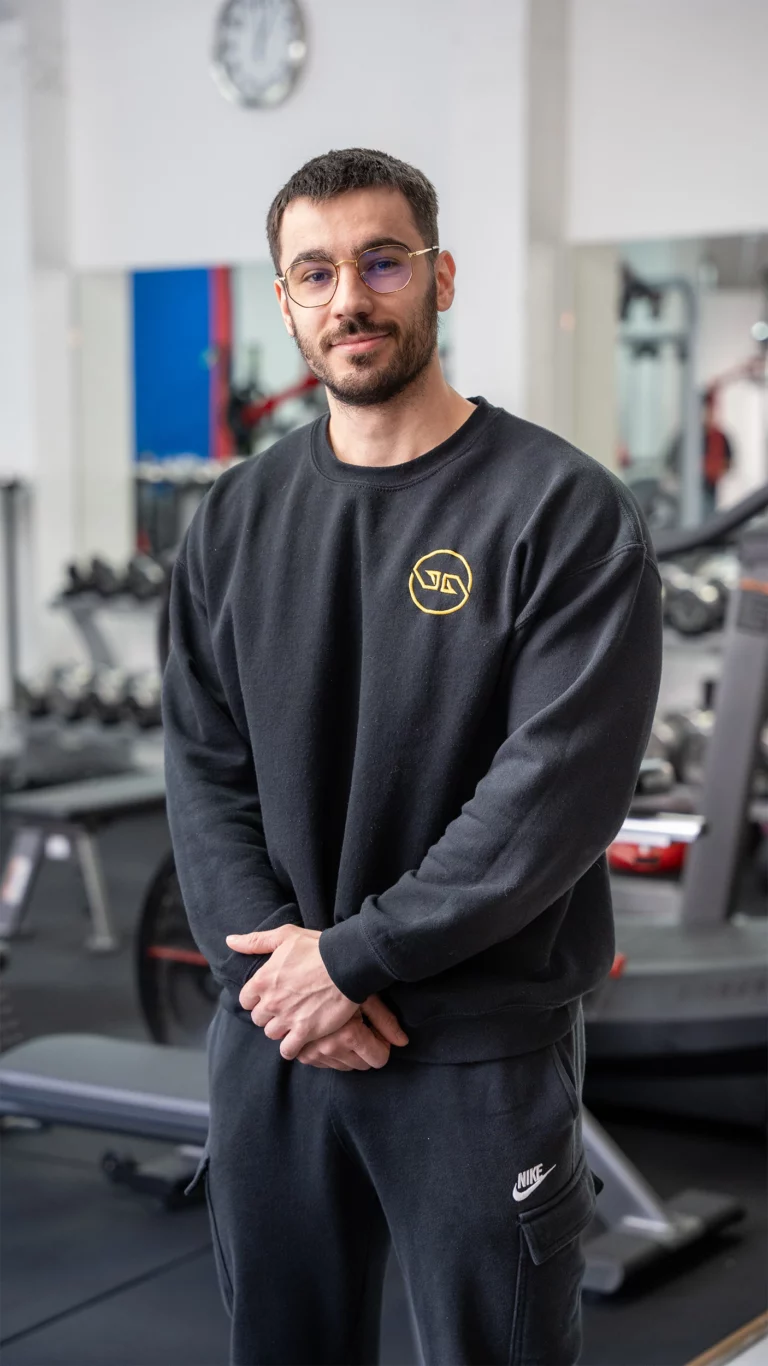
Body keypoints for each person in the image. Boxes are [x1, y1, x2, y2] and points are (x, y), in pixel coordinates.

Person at [163, 148, 663, 1366]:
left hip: (472, 1047)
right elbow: (203, 767)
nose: (352, 297)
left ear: (439, 276)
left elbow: (552, 797)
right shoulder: (231, 519)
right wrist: (280, 986)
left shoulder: (562, 510)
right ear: (283, 301)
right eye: (317, 271)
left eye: (382, 261)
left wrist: (355, 958)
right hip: (278, 1034)